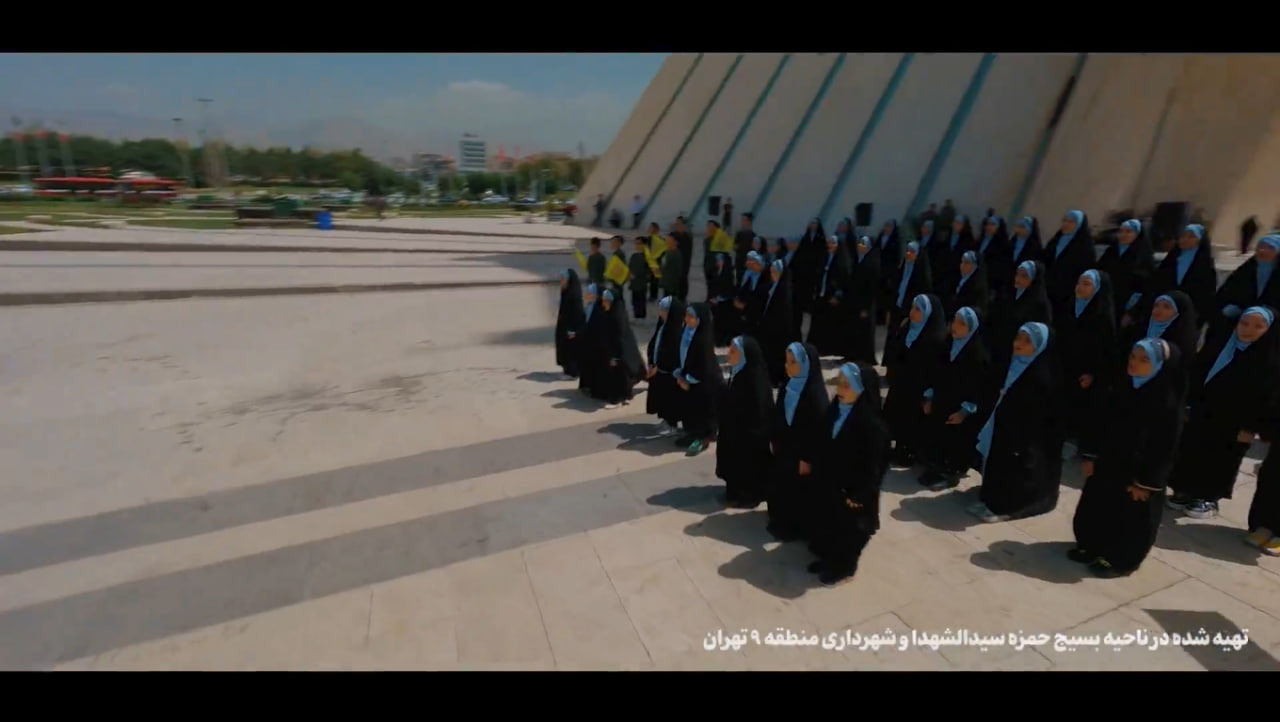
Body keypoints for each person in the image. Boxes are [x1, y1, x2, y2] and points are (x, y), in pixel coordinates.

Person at [1071, 338, 1186, 577]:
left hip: (1138, 473)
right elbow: (1100, 423)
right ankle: (1092, 545)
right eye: (1133, 356)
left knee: (1130, 517)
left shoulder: (1166, 402)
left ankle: (1120, 560)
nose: (1134, 363)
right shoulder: (1123, 387)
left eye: (1144, 360)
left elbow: (1164, 448)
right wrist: (1090, 455)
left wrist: (1147, 483)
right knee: (1098, 505)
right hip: (1109, 462)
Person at [1167, 306, 1278, 519]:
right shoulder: (1220, 347)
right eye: (1244, 323)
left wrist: (1252, 428)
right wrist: (1187, 405)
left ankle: (1208, 497)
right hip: (1204, 411)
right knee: (1191, 449)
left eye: (1257, 326)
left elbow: (1268, 399)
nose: (1248, 330)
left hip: (1236, 422)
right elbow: (1197, 374)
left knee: (1222, 458)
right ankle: (1184, 489)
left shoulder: (1269, 358)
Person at [972, 322, 1065, 523]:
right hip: (1005, 426)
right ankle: (991, 499)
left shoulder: (1042, 376)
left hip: (1026, 437)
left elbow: (1043, 416)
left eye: (1027, 341)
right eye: (1018, 338)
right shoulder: (1013, 363)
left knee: (1016, 471)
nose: (1019, 344)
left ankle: (1007, 508)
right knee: (998, 462)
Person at [809, 362, 890, 585]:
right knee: (830, 524)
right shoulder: (835, 411)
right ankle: (828, 558)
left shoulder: (872, 425)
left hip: (854, 492)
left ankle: (843, 569)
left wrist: (859, 495)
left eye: (847, 385)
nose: (840, 389)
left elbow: (874, 467)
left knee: (849, 532)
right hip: (832, 484)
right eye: (839, 383)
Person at [919, 306, 991, 490]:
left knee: (956, 442)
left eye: (962, 323)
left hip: (960, 410)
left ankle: (951, 473)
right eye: (955, 321)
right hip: (941, 402)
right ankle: (936, 466)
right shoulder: (947, 345)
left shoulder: (977, 354)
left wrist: (965, 411)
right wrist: (929, 397)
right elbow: (934, 373)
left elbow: (980, 388)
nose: (955, 326)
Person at [766, 341, 830, 542]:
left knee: (799, 491)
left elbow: (818, 433)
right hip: (785, 449)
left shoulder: (814, 396)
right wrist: (774, 438)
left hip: (802, 455)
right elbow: (778, 415)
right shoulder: (788, 386)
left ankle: (796, 527)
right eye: (786, 361)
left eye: (793, 362)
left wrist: (807, 458)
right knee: (783, 485)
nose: (788, 366)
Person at [883, 294, 949, 469]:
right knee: (895, 417)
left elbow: (936, 371)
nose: (912, 312)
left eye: (918, 309)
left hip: (919, 390)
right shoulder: (907, 328)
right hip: (901, 383)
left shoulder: (935, 338)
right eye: (913, 307)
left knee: (911, 422)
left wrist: (928, 395)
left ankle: (909, 453)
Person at [1060, 269, 1117, 462]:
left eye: (1086, 284)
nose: (1080, 288)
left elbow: (1106, 351)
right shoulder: (1069, 307)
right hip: (1065, 366)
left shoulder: (1101, 316)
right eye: (1079, 283)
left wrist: (1093, 374)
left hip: (1085, 373)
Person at [716, 336, 774, 509]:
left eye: (734, 351)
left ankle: (750, 496)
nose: (729, 353)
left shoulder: (754, 380)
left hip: (748, 436)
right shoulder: (738, 372)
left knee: (747, 466)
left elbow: (758, 414)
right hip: (734, 431)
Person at [1144, 224, 1217, 331]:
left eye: (1191, 236)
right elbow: (1157, 282)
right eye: (1183, 235)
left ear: (1199, 241)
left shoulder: (1205, 265)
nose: (1185, 239)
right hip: (1162, 313)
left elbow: (1206, 294)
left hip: (1188, 317)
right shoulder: (1171, 259)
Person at [672, 302, 723, 456]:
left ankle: (703, 438)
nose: (687, 319)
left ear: (700, 320)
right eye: (686, 316)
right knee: (690, 409)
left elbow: (704, 366)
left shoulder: (703, 338)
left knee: (702, 412)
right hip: (687, 378)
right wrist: (680, 374)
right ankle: (691, 433)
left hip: (703, 381)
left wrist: (688, 380)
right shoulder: (687, 332)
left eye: (691, 317)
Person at [1209, 234, 1280, 341]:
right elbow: (1227, 291)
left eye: (1270, 248)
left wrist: (1267, 312)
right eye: (1261, 246)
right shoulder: (1247, 269)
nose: (1263, 250)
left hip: (1267, 327)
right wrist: (1228, 307)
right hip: (1235, 322)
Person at [1118, 291, 1199, 384]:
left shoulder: (1180, 346)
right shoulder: (1143, 328)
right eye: (1157, 305)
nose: (1159, 310)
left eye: (1166, 307)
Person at [989, 260, 1052, 371]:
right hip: (999, 352)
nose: (1018, 278)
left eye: (1024, 276)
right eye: (1017, 274)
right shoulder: (1008, 295)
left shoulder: (1040, 305)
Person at [1097, 219, 1156, 328]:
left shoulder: (1143, 256)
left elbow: (1147, 287)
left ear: (1137, 234)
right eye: (1121, 231)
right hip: (1106, 302)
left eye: (1128, 231)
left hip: (1128, 305)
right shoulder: (1111, 252)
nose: (1123, 235)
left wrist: (1133, 313)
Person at [1043, 210, 1097, 322]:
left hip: (1066, 296)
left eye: (1071, 222)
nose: (1066, 224)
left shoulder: (1085, 248)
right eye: (1065, 221)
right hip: (1045, 290)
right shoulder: (1056, 241)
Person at [645, 296, 687, 436]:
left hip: (669, 373)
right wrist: (652, 362)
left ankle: (672, 426)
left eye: (664, 310)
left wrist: (659, 367)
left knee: (671, 401)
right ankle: (665, 421)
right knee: (662, 399)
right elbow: (655, 344)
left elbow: (672, 354)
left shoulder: (676, 331)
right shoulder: (663, 326)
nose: (660, 312)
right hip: (660, 371)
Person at [807, 235, 853, 357]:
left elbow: (845, 280)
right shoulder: (824, 258)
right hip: (822, 296)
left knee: (831, 325)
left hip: (833, 298)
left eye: (833, 243)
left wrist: (838, 296)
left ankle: (831, 349)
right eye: (828, 243)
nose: (830, 245)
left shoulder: (842, 261)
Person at [597, 289, 645, 408]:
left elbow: (619, 339)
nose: (604, 303)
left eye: (606, 301)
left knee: (621, 374)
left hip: (621, 353)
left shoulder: (617, 318)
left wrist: (615, 356)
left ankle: (619, 399)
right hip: (616, 352)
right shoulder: (609, 314)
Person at [759, 259, 798, 386]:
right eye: (771, 272)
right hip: (770, 329)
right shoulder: (773, 286)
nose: (772, 274)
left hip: (779, 331)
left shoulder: (785, 290)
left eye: (775, 272)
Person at [848, 236, 882, 365]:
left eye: (863, 244)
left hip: (867, 304)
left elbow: (872, 288)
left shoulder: (872, 263)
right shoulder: (859, 259)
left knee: (866, 332)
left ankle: (866, 358)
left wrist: (866, 308)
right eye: (859, 243)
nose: (860, 246)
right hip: (857, 302)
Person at [577, 283, 608, 399]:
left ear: (596, 295)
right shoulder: (589, 307)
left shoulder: (601, 310)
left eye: (589, 293)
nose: (586, 295)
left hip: (596, 345)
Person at [555, 268, 586, 381]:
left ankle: (572, 372)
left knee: (571, 349)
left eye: (563, 279)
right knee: (564, 347)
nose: (561, 281)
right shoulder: (566, 292)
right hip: (565, 326)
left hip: (571, 328)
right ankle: (567, 369)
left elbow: (578, 315)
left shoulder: (573, 295)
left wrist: (574, 330)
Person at [977, 215, 1012, 303]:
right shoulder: (980, 240)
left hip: (991, 280)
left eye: (993, 225)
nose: (989, 227)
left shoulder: (1002, 245)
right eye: (988, 224)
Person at [875, 219, 902, 326]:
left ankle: (883, 318)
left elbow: (896, 257)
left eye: (889, 226)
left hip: (888, 272)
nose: (887, 228)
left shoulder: (895, 240)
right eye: (886, 226)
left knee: (886, 297)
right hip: (879, 270)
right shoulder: (880, 237)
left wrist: (892, 273)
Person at [948, 250, 990, 320]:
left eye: (967, 263)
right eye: (962, 262)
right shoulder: (957, 279)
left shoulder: (977, 285)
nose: (962, 265)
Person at [733, 251, 767, 338]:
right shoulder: (748, 275)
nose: (749, 263)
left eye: (754, 262)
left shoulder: (765, 278)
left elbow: (760, 298)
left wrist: (745, 306)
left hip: (755, 313)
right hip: (744, 312)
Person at [706, 253, 737, 346]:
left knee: (721, 323)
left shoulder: (728, 274)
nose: (718, 262)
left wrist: (718, 299)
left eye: (720, 260)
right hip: (714, 302)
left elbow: (729, 290)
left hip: (724, 303)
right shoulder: (715, 271)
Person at [672, 217, 695, 300]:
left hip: (684, 262)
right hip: (674, 263)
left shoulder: (688, 237)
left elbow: (688, 252)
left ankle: (683, 297)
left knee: (683, 279)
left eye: (679, 223)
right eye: (676, 223)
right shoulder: (673, 235)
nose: (677, 225)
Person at [628, 237, 651, 320]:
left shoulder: (647, 257)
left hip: (641, 283)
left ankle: (641, 317)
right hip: (634, 283)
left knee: (641, 301)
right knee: (634, 300)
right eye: (636, 243)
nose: (637, 245)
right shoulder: (634, 256)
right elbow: (630, 267)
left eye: (639, 243)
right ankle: (636, 315)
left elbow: (649, 271)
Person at [733, 212, 756, 282]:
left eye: (744, 220)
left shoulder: (753, 236)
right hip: (739, 261)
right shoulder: (739, 234)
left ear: (749, 221)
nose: (742, 222)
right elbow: (734, 246)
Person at [660, 234, 684, 301]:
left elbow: (678, 271)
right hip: (666, 283)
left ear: (675, 242)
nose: (667, 242)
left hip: (671, 286)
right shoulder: (667, 252)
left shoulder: (676, 254)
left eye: (669, 240)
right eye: (666, 240)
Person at [646, 222, 665, 301]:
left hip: (655, 262)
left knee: (654, 280)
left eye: (651, 228)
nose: (649, 229)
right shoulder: (650, 239)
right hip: (653, 262)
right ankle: (653, 295)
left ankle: (653, 296)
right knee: (653, 280)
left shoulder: (657, 239)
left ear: (655, 229)